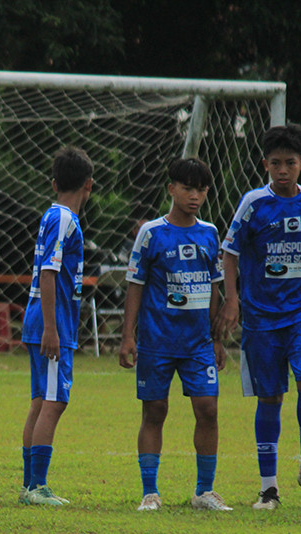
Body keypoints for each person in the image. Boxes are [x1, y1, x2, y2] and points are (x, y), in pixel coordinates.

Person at [215, 123, 301, 510]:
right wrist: (232, 299)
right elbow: (230, 252)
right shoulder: (254, 204)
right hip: (261, 316)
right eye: (275, 163)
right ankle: (268, 487)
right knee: (271, 396)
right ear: (265, 165)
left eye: (289, 163)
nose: (282, 170)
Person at [119, 157, 231, 512]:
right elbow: (135, 286)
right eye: (187, 188)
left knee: (208, 409)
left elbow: (215, 288)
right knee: (155, 410)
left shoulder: (210, 233)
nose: (194, 196)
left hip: (198, 343)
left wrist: (217, 339)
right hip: (157, 341)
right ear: (171, 189)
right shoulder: (152, 233)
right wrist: (128, 336)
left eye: (200, 189)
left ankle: (204, 491)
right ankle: (150, 492)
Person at [19, 146, 93, 506]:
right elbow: (49, 272)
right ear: (89, 186)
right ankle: (36, 487)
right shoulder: (65, 219)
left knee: (40, 401)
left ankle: (29, 485)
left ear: (53, 183)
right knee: (54, 402)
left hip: (45, 319)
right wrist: (52, 327)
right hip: (52, 323)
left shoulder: (53, 214)